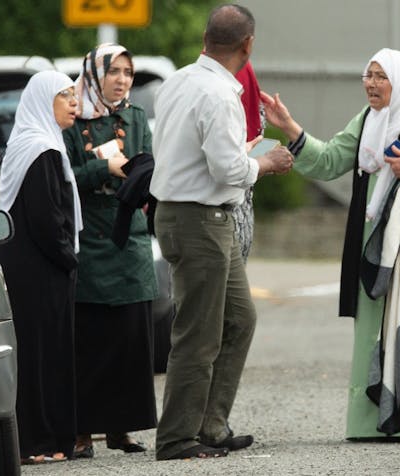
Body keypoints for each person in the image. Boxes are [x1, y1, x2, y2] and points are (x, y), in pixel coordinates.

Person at [261, 48, 400, 441]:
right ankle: (370, 422)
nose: (371, 84)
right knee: (373, 330)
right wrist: (291, 128)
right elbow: (328, 161)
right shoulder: (367, 121)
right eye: (368, 75)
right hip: (373, 246)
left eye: (381, 76)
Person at [150, 4, 293, 460]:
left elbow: (191, 150)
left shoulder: (180, 80)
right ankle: (177, 437)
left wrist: (240, 153)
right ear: (247, 45)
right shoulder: (218, 93)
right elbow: (227, 169)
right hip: (200, 221)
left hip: (188, 213)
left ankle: (209, 424)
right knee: (198, 333)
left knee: (239, 319)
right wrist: (265, 162)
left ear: (206, 38)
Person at [62, 43, 158, 458]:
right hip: (90, 235)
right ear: (94, 73)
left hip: (130, 235)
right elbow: (65, 175)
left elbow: (150, 162)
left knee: (130, 338)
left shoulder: (135, 117)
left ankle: (122, 428)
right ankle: (82, 431)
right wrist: (105, 168)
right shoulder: (72, 119)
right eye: (113, 71)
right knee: (90, 339)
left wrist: (141, 176)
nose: (121, 79)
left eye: (128, 72)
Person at [0, 70, 83, 464]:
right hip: (40, 270)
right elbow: (47, 219)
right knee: (40, 355)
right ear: (43, 101)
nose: (73, 102)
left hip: (36, 266)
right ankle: (38, 442)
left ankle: (46, 439)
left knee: (43, 352)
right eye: (64, 95)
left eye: (72, 94)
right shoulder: (40, 150)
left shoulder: (39, 143)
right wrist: (69, 258)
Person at [232, 60, 265, 261]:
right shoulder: (222, 92)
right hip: (225, 211)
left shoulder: (186, 81)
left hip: (236, 207)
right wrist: (265, 163)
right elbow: (228, 166)